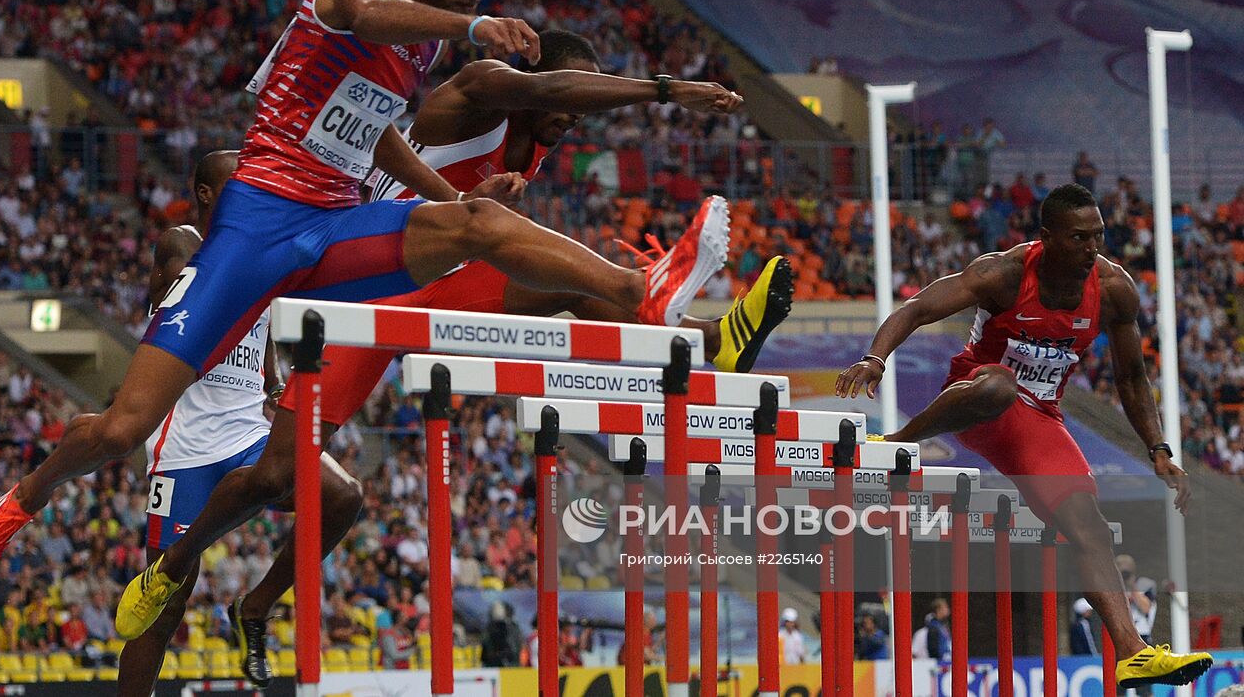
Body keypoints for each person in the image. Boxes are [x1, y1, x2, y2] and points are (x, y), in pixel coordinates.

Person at [0, 0, 730, 596]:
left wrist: (449, 197)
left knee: (481, 225)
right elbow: (364, 17)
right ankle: (19, 502)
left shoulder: (421, 47)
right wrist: (472, 26)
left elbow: (376, 130)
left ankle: (642, 290)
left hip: (333, 225)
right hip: (257, 225)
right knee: (123, 429)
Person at [112, 34, 765, 675]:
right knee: (278, 476)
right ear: (538, 79)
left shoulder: (532, 145)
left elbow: (543, 124)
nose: (572, 117)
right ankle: (191, 576)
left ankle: (709, 338)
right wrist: (665, 91)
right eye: (571, 103)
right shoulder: (477, 86)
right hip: (366, 303)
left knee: (567, 279)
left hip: (432, 291)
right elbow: (554, 89)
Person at [835, 184, 1211, 691]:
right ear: (1047, 238)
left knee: (1091, 527)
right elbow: (918, 309)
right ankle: (901, 440)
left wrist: (1159, 450)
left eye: (1098, 235)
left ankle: (1132, 653)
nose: (1092, 249)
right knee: (999, 384)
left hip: (1038, 418)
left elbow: (1131, 378)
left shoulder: (1114, 288)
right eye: (1079, 238)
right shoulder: (1004, 273)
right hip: (974, 397)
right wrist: (875, 358)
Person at [114, 150, 365, 695]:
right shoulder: (184, 242)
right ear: (207, 193)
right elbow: (166, 299)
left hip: (247, 429)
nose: (256, 192)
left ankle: (256, 604)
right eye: (241, 184)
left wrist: (272, 379)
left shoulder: (261, 251)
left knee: (342, 496)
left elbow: (264, 318)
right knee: (167, 602)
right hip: (184, 442)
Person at [1116, 554, 1157, 645]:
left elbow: (1146, 608)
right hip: (1121, 633)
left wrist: (1132, 586)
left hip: (1141, 633)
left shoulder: (1144, 584)